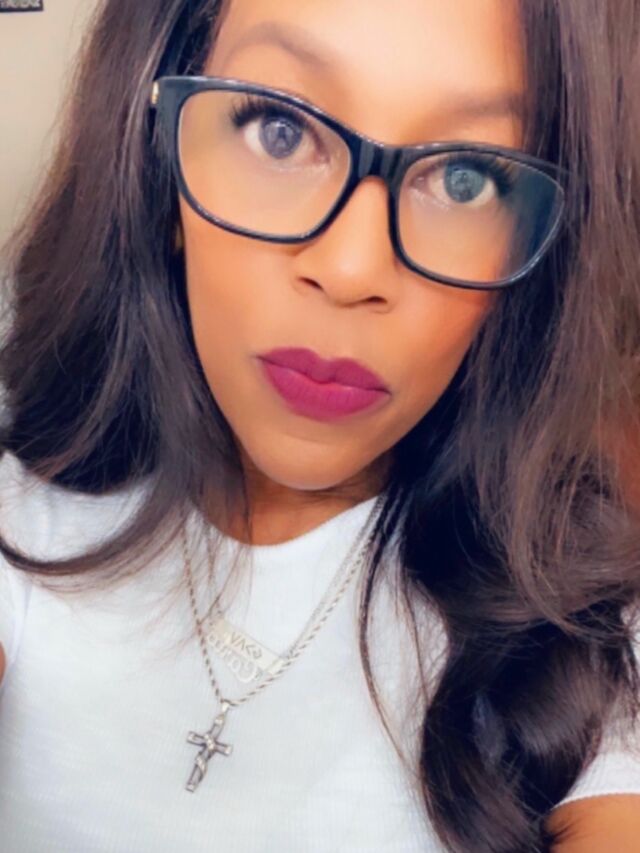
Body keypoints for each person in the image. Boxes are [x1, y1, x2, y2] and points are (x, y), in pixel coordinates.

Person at [0, 0, 639, 850]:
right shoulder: (21, 480)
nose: (350, 267)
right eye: (279, 129)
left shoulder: (580, 645)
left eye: (465, 178)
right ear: (156, 152)